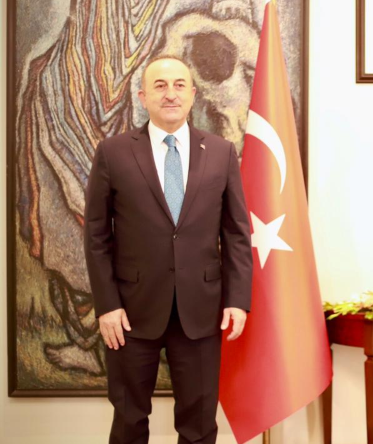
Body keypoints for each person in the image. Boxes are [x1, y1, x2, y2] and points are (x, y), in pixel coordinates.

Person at [84, 56, 253, 444]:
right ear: (143, 96)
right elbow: (95, 235)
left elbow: (237, 232)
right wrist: (107, 304)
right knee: (129, 419)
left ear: (193, 94)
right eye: (159, 86)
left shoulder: (222, 152)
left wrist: (237, 299)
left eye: (179, 85)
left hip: (201, 311)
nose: (170, 93)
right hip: (130, 312)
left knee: (198, 426)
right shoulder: (113, 153)